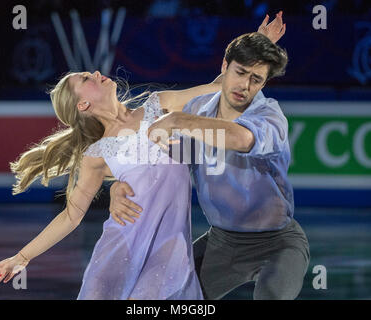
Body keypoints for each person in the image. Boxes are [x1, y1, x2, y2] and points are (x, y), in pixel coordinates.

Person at [0, 13, 285, 300]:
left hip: (170, 251)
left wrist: (257, 45)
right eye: (87, 78)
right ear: (83, 104)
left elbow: (218, 87)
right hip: (122, 250)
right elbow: (71, 215)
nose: (97, 73)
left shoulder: (160, 104)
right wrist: (22, 256)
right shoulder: (97, 153)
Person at [110, 13, 310, 300]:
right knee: (152, 297)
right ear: (224, 66)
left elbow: (240, 138)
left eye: (256, 79)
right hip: (222, 243)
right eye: (240, 73)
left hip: (278, 244)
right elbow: (152, 160)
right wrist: (117, 185)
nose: (245, 86)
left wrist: (179, 120)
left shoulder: (269, 115)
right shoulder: (199, 107)